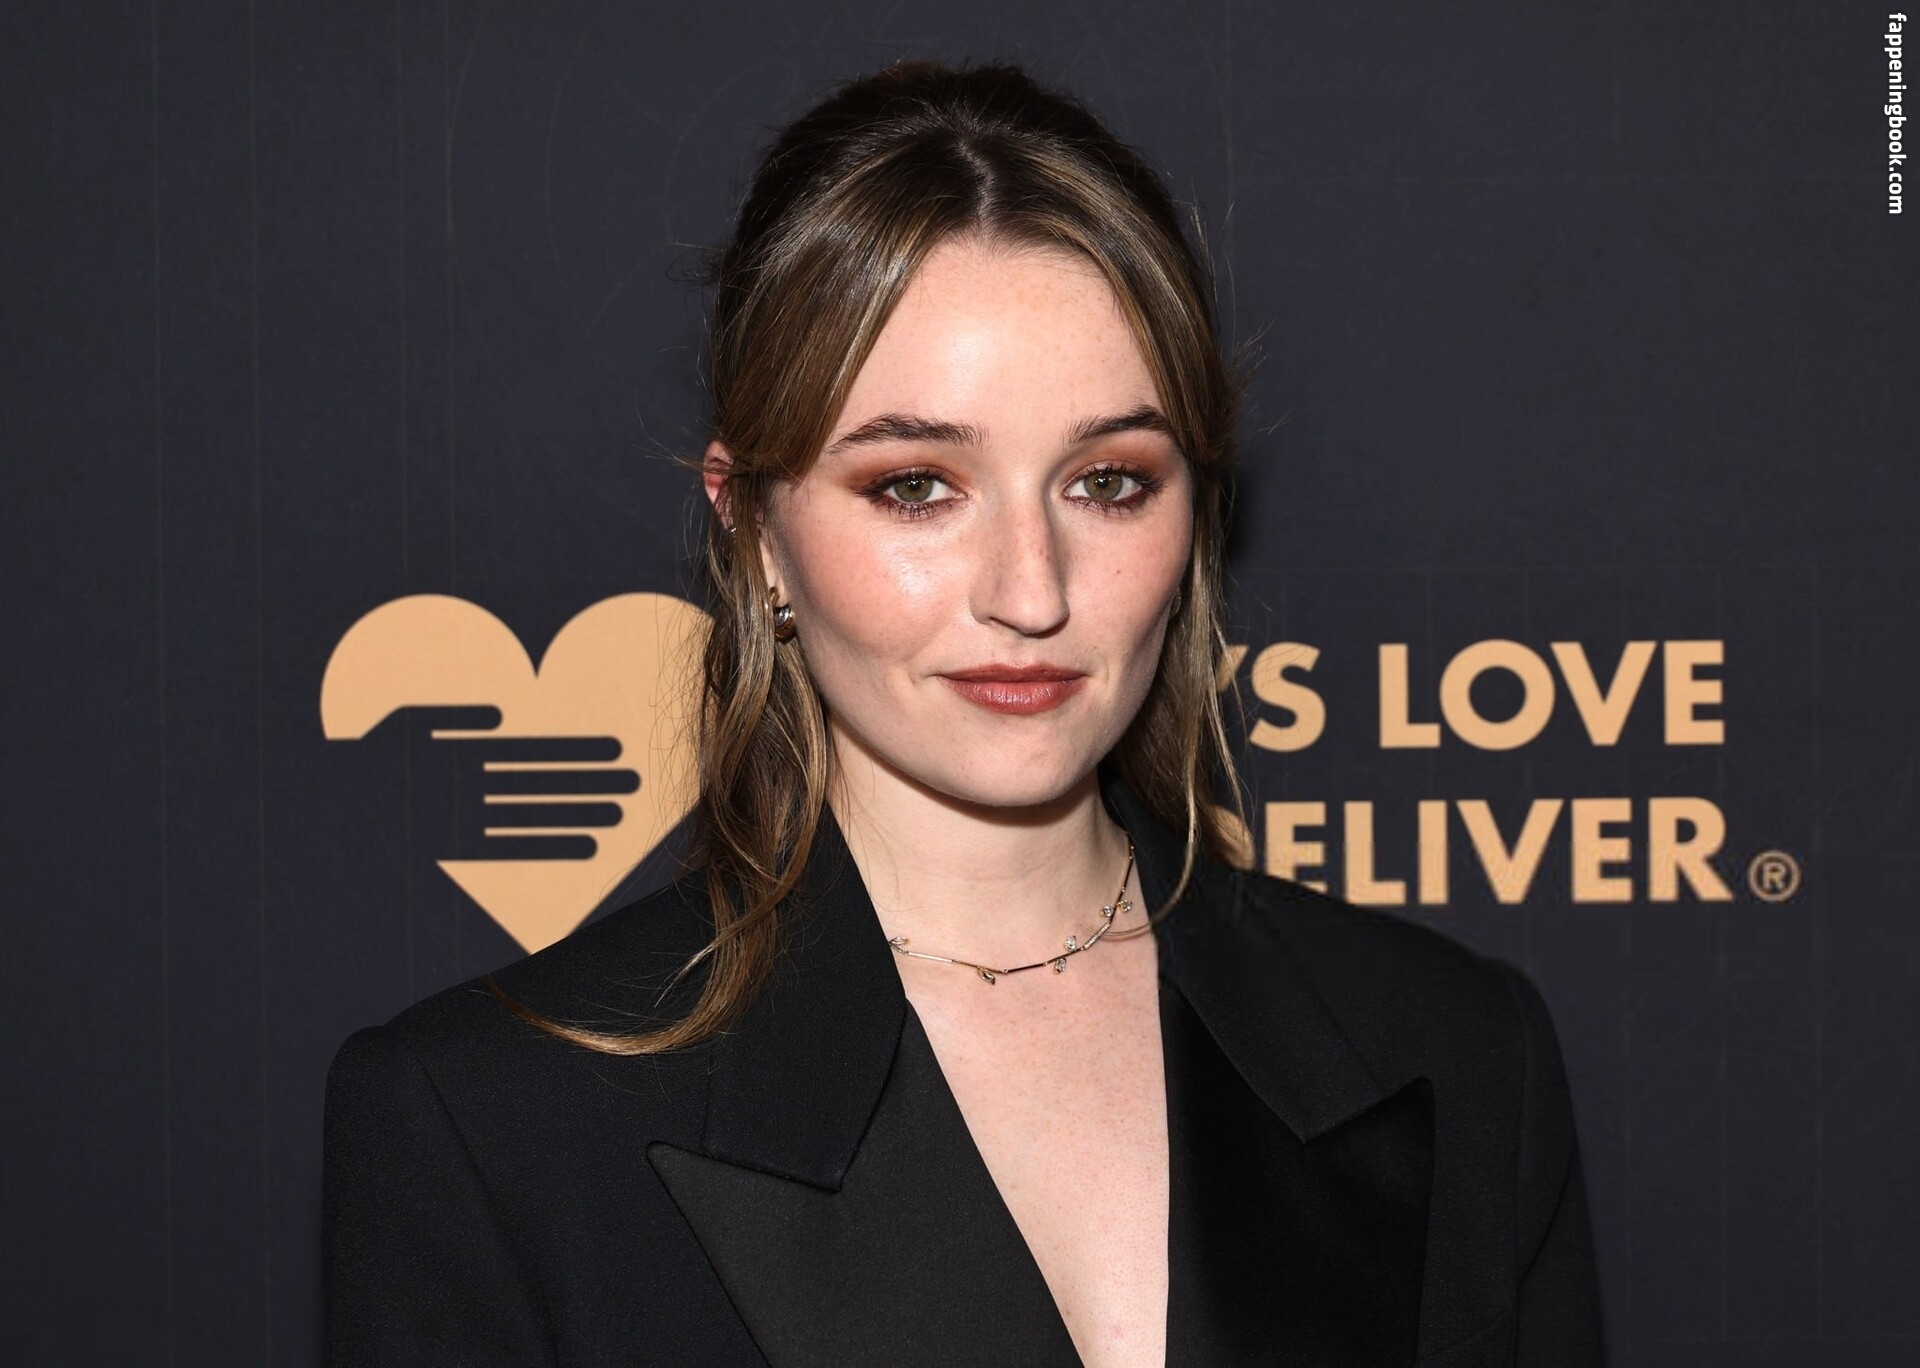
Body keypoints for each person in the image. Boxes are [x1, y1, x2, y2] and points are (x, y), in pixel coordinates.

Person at [322, 59, 1604, 1367]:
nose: (1031, 592)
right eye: (917, 486)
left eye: (1108, 482)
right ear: (754, 526)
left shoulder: (1457, 1053)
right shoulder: (491, 1127)